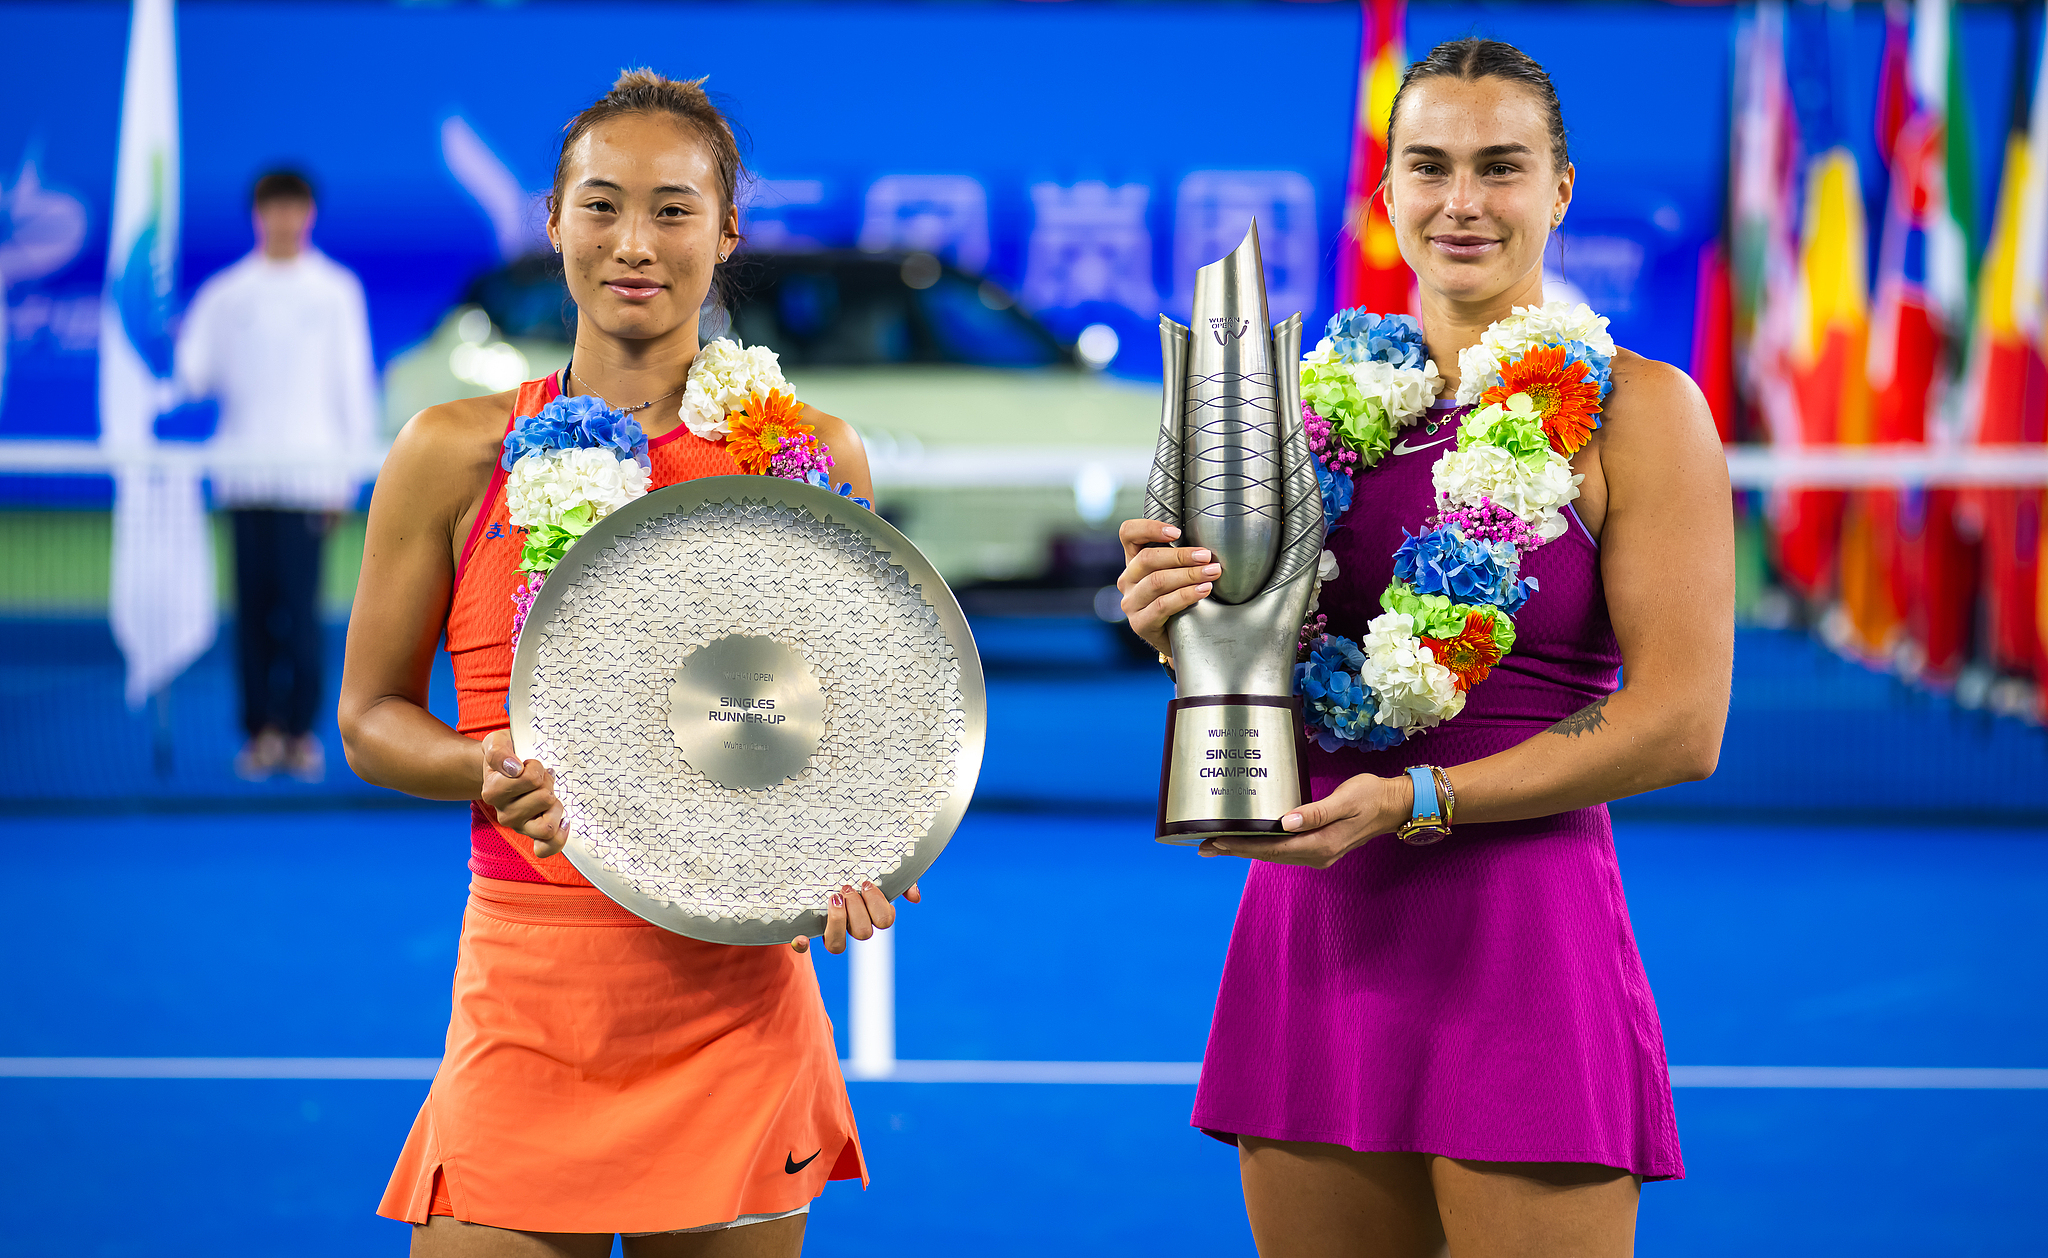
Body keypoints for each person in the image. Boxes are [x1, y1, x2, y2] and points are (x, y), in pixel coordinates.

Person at [1117, 39, 1733, 1258]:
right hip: (1318, 923)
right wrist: (1181, 634)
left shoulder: (1642, 408)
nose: (1461, 202)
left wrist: (1418, 799)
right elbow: (1268, 690)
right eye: (1429, 167)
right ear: (1383, 192)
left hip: (1523, 940)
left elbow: (1679, 721)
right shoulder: (1291, 413)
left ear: (1557, 190)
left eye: (1499, 167)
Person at [340, 71, 904, 1256]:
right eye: (600, 206)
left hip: (736, 1002)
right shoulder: (450, 452)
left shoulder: (808, 457)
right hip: (526, 989)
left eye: (672, 208)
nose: (632, 244)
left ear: (726, 229)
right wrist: (483, 761)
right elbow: (370, 718)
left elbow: (848, 725)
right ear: (551, 223)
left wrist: (855, 847)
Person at [176, 169, 378, 782]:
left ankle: (297, 733)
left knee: (299, 611)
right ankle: (259, 732)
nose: (284, 220)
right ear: (257, 215)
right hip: (242, 479)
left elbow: (353, 384)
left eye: (295, 208)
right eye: (273, 208)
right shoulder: (226, 294)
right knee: (254, 615)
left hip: (308, 481)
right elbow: (193, 376)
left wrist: (346, 477)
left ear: (309, 213)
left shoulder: (335, 291)